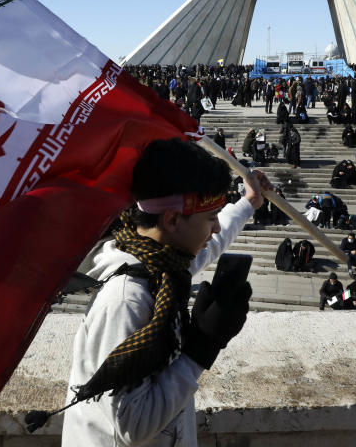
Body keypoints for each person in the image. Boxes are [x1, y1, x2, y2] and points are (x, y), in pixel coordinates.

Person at [62, 138, 273, 445]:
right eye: (210, 217)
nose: (215, 227)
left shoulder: (160, 262)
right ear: (172, 219)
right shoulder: (127, 299)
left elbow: (210, 245)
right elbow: (133, 426)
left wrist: (247, 203)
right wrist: (201, 347)